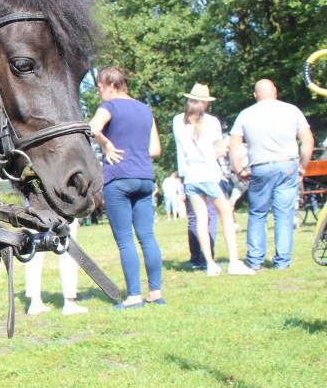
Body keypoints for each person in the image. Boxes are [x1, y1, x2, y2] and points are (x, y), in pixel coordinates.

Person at [88, 66, 164, 308]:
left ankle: (133, 297)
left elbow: (91, 129)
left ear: (111, 85)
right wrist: (135, 153)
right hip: (144, 177)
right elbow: (155, 150)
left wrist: (107, 145)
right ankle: (155, 293)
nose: (99, 93)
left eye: (100, 88)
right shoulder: (145, 109)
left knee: (125, 240)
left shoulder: (109, 107)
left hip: (119, 178)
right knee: (148, 237)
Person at [228, 79, 315, 270]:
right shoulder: (292, 110)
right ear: (275, 91)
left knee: (258, 213)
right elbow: (308, 140)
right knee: (284, 214)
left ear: (255, 95)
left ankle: (255, 260)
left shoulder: (246, 114)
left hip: (260, 167)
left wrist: (239, 170)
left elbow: (233, 145)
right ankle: (283, 261)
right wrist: (303, 166)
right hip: (287, 165)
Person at [171, 84, 254, 276]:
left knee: (201, 219)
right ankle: (233, 261)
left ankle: (209, 264)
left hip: (190, 176)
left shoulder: (178, 121)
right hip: (209, 175)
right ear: (204, 104)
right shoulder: (211, 122)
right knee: (226, 215)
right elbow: (219, 151)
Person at [25, 219, 88, 315]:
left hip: (34, 206)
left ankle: (35, 302)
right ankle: (69, 303)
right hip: (64, 207)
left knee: (34, 247)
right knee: (68, 248)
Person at [186, 196, 218, 271]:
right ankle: (207, 260)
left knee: (193, 218)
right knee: (211, 215)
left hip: (190, 185)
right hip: (209, 185)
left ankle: (195, 259)